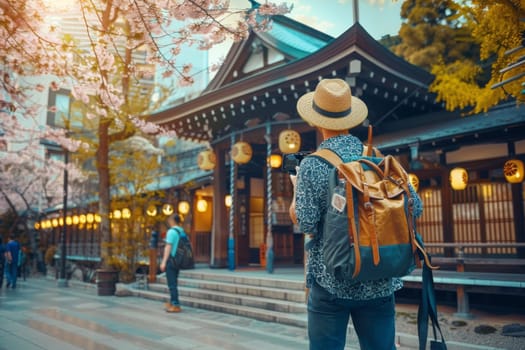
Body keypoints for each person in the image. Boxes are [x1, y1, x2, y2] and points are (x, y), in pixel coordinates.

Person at [289, 78, 422, 350]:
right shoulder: (376, 157)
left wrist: (296, 190)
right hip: (380, 276)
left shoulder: (313, 165)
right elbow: (415, 206)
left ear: (317, 121)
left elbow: (305, 222)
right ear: (350, 117)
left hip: (331, 280)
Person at [159, 213, 187, 313]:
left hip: (172, 259)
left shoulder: (171, 232)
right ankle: (172, 301)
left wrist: (163, 262)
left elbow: (168, 246)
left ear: (172, 220)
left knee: (171, 283)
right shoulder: (182, 231)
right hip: (179, 260)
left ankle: (175, 304)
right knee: (174, 282)